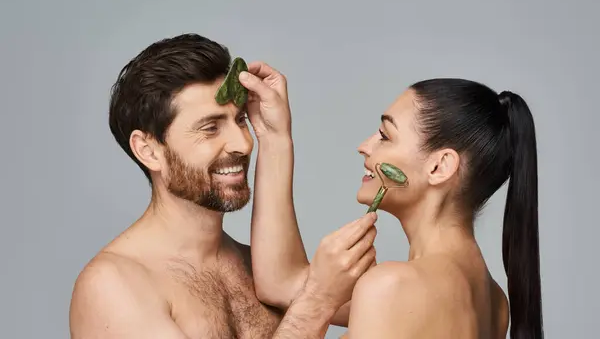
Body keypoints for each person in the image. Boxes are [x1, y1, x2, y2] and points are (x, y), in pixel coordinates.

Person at [68, 33, 377, 338]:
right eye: (211, 128)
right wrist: (316, 301)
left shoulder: (260, 271)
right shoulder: (114, 285)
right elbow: (315, 301)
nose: (243, 143)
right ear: (148, 151)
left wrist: (274, 137)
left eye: (241, 120)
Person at [250, 77, 544, 338]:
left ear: (439, 166)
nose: (364, 146)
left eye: (385, 135)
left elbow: (297, 293)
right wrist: (274, 137)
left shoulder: (392, 287)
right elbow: (280, 283)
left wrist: (317, 302)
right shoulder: (494, 302)